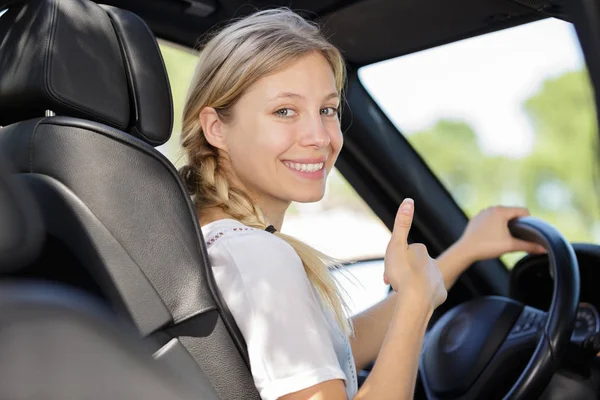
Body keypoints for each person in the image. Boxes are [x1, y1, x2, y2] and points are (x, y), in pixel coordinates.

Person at [178, 9, 546, 400]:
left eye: (327, 110)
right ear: (216, 127)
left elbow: (334, 354)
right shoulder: (258, 258)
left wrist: (465, 251)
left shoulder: (218, 241)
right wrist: (415, 306)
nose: (319, 136)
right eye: (285, 111)